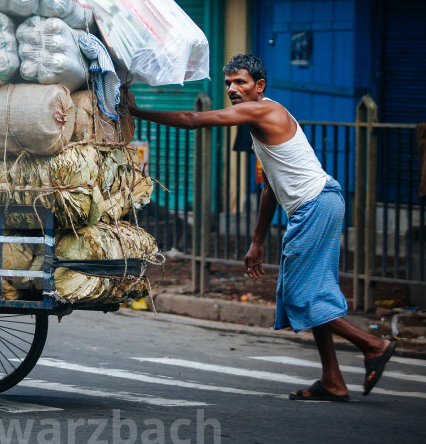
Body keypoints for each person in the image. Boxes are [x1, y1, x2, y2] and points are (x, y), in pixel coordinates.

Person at [126, 53, 396, 401]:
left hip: (315, 206)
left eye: (240, 82)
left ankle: (373, 344)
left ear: (259, 86)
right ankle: (333, 380)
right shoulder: (258, 119)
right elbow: (270, 183)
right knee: (310, 292)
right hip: (319, 205)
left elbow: (192, 119)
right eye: (228, 84)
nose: (233, 89)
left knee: (301, 295)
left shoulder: (262, 110)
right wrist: (257, 241)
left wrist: (136, 112)